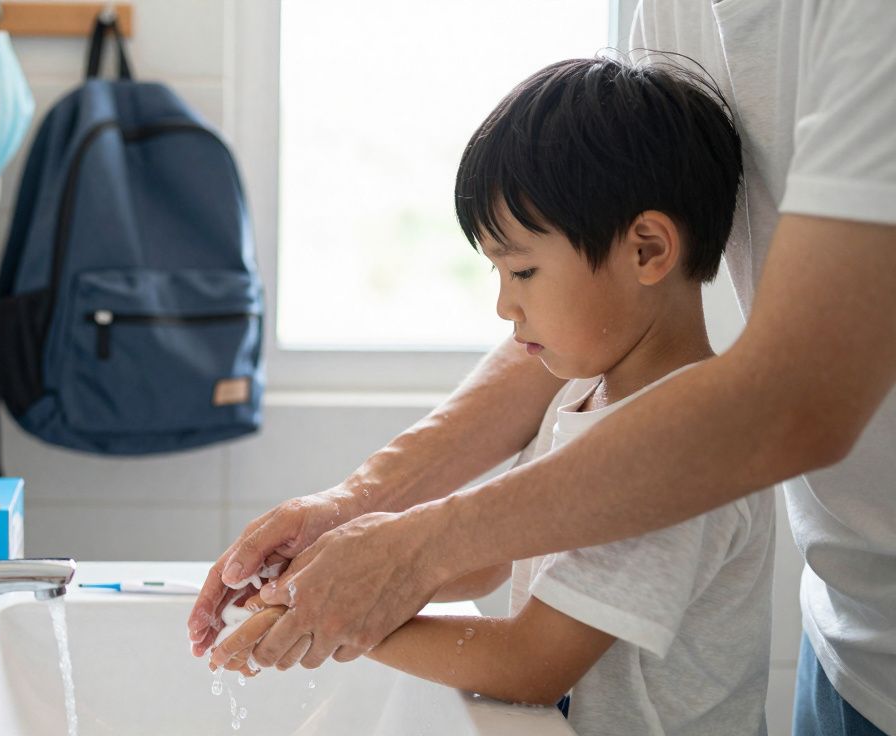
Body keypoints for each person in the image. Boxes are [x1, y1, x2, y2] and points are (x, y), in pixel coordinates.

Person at [188, 2, 896, 734]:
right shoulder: (586, 393)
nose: (504, 307)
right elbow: (498, 557)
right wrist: (332, 559)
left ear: (649, 251)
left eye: (522, 271)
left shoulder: (680, 466)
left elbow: (532, 662)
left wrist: (352, 617)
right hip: (849, 614)